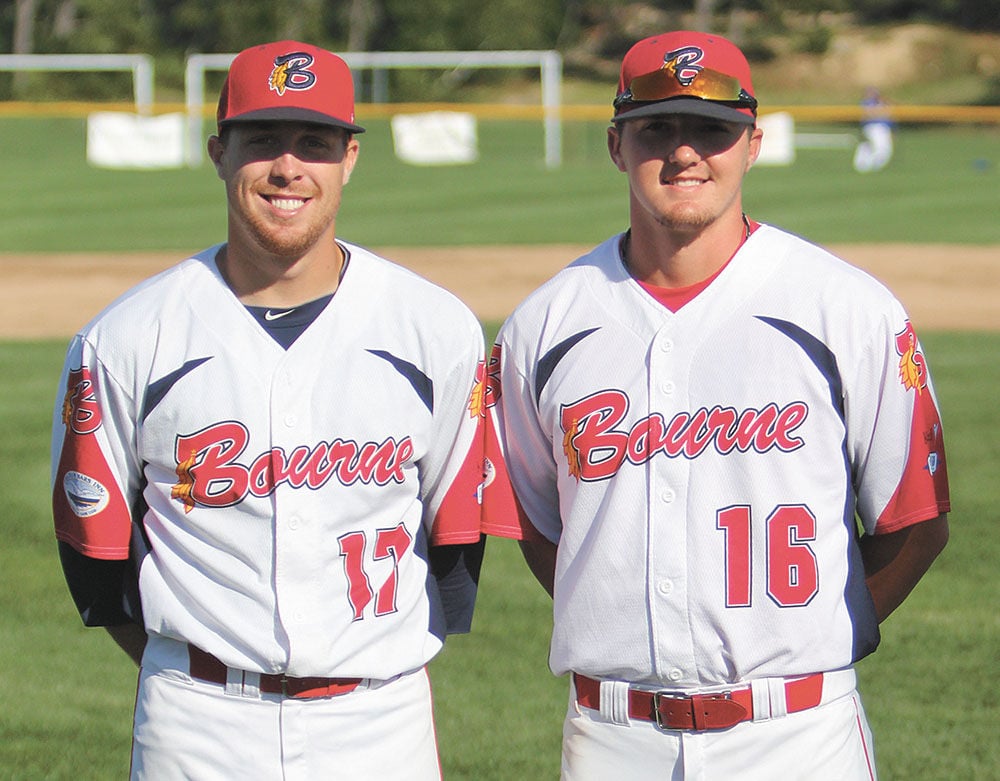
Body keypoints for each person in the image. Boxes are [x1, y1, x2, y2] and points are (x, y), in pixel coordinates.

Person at [487, 31, 950, 779]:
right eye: (657, 128)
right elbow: (542, 528)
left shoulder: (845, 308)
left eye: (712, 129)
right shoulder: (546, 325)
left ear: (753, 142)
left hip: (799, 734)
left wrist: (817, 635)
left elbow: (915, 521)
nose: (684, 152)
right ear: (615, 143)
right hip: (613, 736)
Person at [52, 40, 493, 780]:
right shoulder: (127, 336)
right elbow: (94, 558)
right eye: (263, 140)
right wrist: (189, 663)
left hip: (380, 722)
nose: (288, 167)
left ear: (349, 157)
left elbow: (457, 542)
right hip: (196, 723)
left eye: (314, 143)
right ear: (219, 151)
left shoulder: (435, 329)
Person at [853, 86, 894, 172]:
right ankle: (866, 165)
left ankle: (869, 165)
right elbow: (868, 115)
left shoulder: (882, 103)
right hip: (874, 127)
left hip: (882, 128)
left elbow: (889, 117)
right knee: (880, 147)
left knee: (879, 147)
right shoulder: (868, 103)